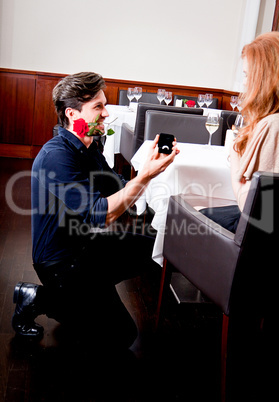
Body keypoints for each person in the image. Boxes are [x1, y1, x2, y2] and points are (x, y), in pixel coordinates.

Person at [11, 72, 179, 348]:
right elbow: (103, 214)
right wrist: (145, 177)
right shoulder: (57, 156)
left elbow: (117, 187)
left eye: (105, 104)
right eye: (97, 107)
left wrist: (147, 169)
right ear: (72, 114)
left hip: (87, 246)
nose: (106, 113)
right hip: (61, 264)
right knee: (122, 335)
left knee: (158, 247)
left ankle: (89, 293)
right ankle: (38, 298)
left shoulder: (89, 146)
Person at [200, 31, 279, 231]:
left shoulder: (272, 125)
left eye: (247, 75)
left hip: (255, 235)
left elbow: (253, 210)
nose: (244, 82)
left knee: (182, 216)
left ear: (264, 78)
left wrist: (234, 156)